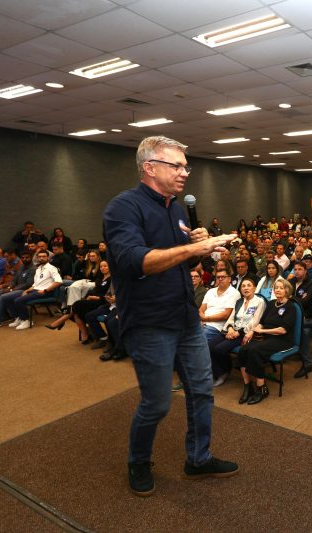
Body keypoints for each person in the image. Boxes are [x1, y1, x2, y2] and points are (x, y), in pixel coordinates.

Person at [103, 135, 240, 497]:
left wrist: (197, 248)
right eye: (176, 166)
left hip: (185, 318)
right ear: (150, 167)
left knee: (202, 393)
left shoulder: (177, 208)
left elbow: (187, 262)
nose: (184, 173)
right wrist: (193, 248)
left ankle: (198, 458)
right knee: (158, 402)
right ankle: (137, 460)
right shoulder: (123, 209)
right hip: (149, 323)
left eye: (185, 166)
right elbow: (138, 262)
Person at [235, 278, 297, 405]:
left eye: (281, 288)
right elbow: (262, 323)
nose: (278, 290)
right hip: (267, 337)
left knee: (255, 350)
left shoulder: (291, 307)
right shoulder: (271, 303)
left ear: (287, 290)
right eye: (276, 288)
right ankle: (248, 386)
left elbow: (283, 330)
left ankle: (261, 388)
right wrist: (255, 330)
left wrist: (262, 331)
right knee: (244, 349)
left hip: (282, 340)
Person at [209, 278, 266, 388]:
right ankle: (219, 370)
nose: (246, 288)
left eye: (249, 285)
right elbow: (231, 317)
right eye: (243, 286)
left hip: (245, 334)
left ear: (254, 288)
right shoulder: (239, 301)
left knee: (219, 349)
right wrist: (230, 328)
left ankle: (224, 372)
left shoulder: (259, 302)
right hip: (232, 330)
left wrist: (238, 332)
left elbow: (255, 321)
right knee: (209, 345)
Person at [9, 250, 62, 330]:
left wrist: (45, 290)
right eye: (40, 257)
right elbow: (35, 285)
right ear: (37, 258)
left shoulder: (52, 268)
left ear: (48, 257)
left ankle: (25, 320)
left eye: (44, 256)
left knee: (18, 300)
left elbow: (58, 282)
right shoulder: (38, 269)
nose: (41, 258)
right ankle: (19, 317)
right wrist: (27, 290)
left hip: (46, 292)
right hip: (36, 290)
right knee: (11, 298)